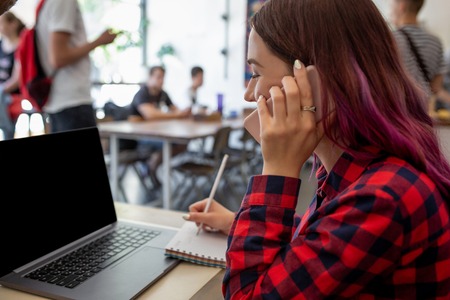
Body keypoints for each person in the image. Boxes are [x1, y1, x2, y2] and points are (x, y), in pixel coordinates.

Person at [184, 0, 450, 298]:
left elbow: (247, 294)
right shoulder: (357, 171)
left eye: (256, 74)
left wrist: (277, 169)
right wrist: (237, 222)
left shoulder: (382, 199)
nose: (249, 94)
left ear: (313, 83)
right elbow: (329, 234)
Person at [35, 0, 118, 133]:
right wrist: (99, 41)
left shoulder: (45, 4)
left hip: (59, 99)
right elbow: (59, 58)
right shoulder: (63, 2)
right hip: (72, 100)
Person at [129, 65, 192, 187]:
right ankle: (152, 165)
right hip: (139, 137)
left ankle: (153, 164)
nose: (161, 80)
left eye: (163, 77)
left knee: (182, 143)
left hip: (157, 134)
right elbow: (150, 115)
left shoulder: (163, 94)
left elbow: (176, 110)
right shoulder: (142, 94)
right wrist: (175, 115)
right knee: (174, 143)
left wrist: (182, 113)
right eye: (158, 77)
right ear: (150, 77)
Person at [389, 0, 450, 113]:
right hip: (422, 113)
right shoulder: (436, 42)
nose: (390, 11)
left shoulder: (390, 39)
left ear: (401, 6)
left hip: (397, 112)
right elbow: (436, 87)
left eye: (392, 5)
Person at [0, 11, 24, 139]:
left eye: (2, 23)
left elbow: (18, 79)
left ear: (13, 24)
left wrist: (2, 89)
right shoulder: (0, 45)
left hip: (13, 95)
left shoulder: (20, 46)